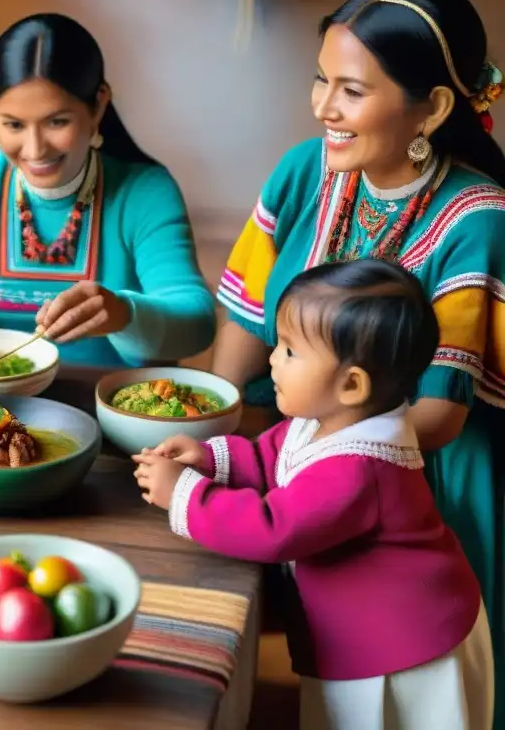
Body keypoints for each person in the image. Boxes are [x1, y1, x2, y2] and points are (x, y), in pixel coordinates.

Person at [206, 0, 505, 722]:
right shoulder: (301, 172)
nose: (322, 109)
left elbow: (438, 414)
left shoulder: (478, 219)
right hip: (301, 459)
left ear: (433, 108)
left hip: (426, 491)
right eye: (320, 82)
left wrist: (302, 457)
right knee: (335, 691)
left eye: (350, 91)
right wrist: (208, 421)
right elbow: (245, 328)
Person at [137, 260, 493, 730]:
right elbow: (271, 460)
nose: (271, 359)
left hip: (402, 646)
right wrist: (209, 459)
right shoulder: (325, 422)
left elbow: (274, 529)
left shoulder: (360, 467)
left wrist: (185, 493)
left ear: (351, 385)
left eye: (289, 351)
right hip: (372, 626)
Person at [0, 13, 215, 367]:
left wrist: (123, 313)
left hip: (108, 404)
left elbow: (197, 320)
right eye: (13, 125)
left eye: (57, 122)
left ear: (98, 105)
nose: (34, 150)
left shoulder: (144, 193)